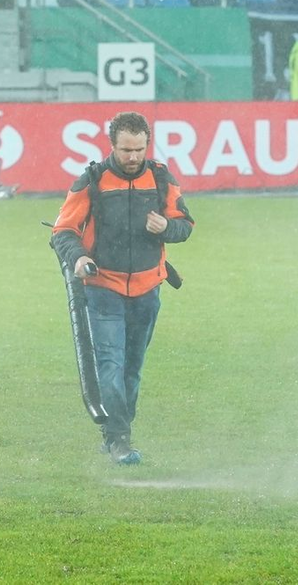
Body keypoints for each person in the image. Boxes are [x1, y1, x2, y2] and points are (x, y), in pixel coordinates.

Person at [50, 111, 194, 466]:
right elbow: (62, 231)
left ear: (147, 145)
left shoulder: (161, 178)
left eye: (139, 149)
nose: (133, 157)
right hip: (103, 289)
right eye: (126, 150)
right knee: (110, 365)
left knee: (132, 367)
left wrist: (166, 229)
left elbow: (185, 225)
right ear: (112, 145)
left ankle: (116, 431)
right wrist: (79, 259)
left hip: (148, 290)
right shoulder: (92, 180)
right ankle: (119, 440)